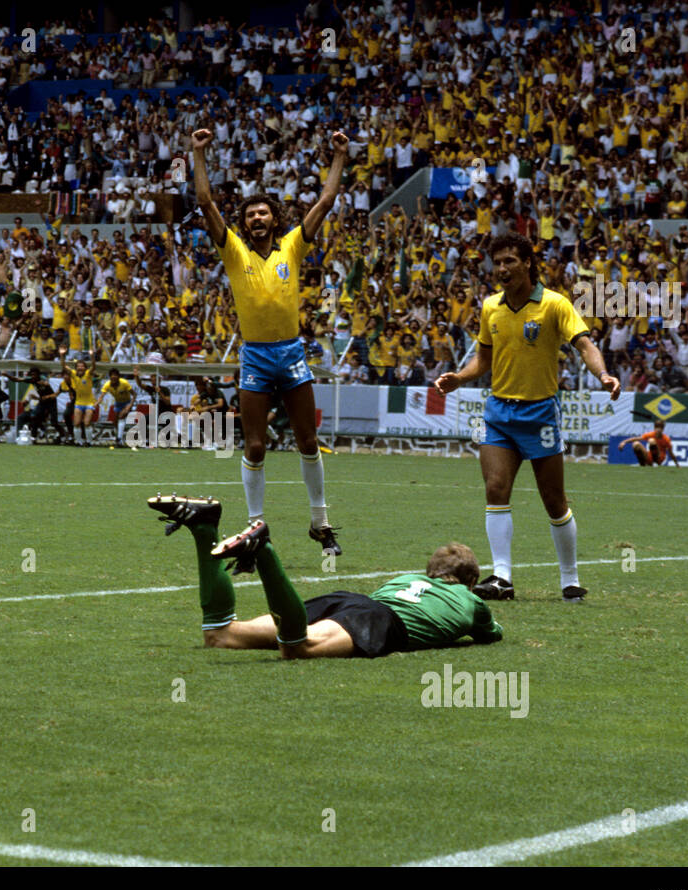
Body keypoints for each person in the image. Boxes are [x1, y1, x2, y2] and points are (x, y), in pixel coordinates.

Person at [434, 232, 621, 602]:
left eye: (510, 261)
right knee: (495, 489)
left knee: (554, 500)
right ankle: (502, 577)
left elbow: (585, 345)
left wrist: (603, 375)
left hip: (540, 414)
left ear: (528, 263)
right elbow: (484, 360)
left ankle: (570, 579)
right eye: (497, 262)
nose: (502, 269)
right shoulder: (491, 307)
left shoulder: (554, 305)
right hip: (499, 411)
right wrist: (460, 377)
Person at [191, 126, 349, 562]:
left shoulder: (293, 247)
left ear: (275, 219)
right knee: (255, 445)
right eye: (250, 214)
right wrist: (198, 153)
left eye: (264, 213)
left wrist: (338, 156)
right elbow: (205, 202)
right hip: (257, 357)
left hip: (292, 353)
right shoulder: (234, 251)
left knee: (307, 439)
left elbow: (326, 202)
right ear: (244, 223)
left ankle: (320, 522)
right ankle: (256, 527)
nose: (257, 218)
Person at [147, 495, 502, 658]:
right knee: (297, 647)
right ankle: (265, 551)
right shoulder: (472, 601)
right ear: (471, 582)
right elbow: (491, 635)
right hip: (380, 620)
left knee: (222, 635)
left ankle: (204, 526)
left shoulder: (405, 579)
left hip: (351, 601)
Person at [59, 344, 96, 446]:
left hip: (89, 402)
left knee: (87, 423)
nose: (80, 368)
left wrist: (92, 356)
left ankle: (89, 442)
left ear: (85, 368)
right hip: (78, 402)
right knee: (76, 423)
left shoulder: (88, 374)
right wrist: (62, 355)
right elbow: (63, 366)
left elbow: (94, 366)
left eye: (82, 366)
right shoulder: (74, 374)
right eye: (79, 366)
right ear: (76, 368)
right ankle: (78, 441)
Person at [99, 367, 136, 447]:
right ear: (110, 377)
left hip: (127, 403)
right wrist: (97, 403)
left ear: (118, 376)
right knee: (115, 422)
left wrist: (129, 406)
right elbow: (102, 396)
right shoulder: (107, 384)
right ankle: (120, 438)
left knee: (121, 416)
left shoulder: (124, 383)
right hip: (118, 403)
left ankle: (118, 439)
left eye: (115, 375)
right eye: (112, 375)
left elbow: (134, 394)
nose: (114, 377)